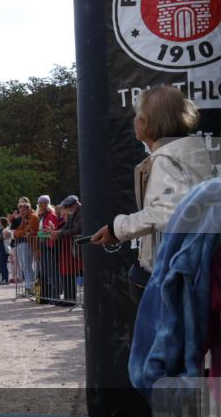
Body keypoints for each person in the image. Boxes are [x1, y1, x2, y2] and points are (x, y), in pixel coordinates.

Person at [91, 85, 213, 302]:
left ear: (149, 122)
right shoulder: (192, 155)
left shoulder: (166, 160)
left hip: (173, 271)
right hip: (192, 266)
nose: (134, 121)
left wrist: (116, 229)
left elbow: (168, 212)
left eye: (138, 115)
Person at [52, 195, 82, 304]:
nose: (68, 208)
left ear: (75, 204)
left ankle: (72, 299)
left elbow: (76, 230)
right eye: (67, 207)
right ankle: (68, 298)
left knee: (72, 273)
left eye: (69, 206)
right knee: (68, 274)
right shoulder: (72, 214)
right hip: (74, 247)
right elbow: (66, 228)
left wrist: (59, 234)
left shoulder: (82, 212)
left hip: (82, 248)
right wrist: (56, 232)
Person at [13, 199, 38, 296]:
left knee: (28, 267)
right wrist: (17, 233)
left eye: (23, 211)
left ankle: (31, 289)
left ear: (28, 209)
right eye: (20, 211)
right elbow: (20, 229)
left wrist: (16, 233)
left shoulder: (33, 217)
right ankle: (28, 288)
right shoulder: (25, 217)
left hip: (31, 244)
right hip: (25, 243)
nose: (21, 213)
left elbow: (26, 231)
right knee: (24, 267)